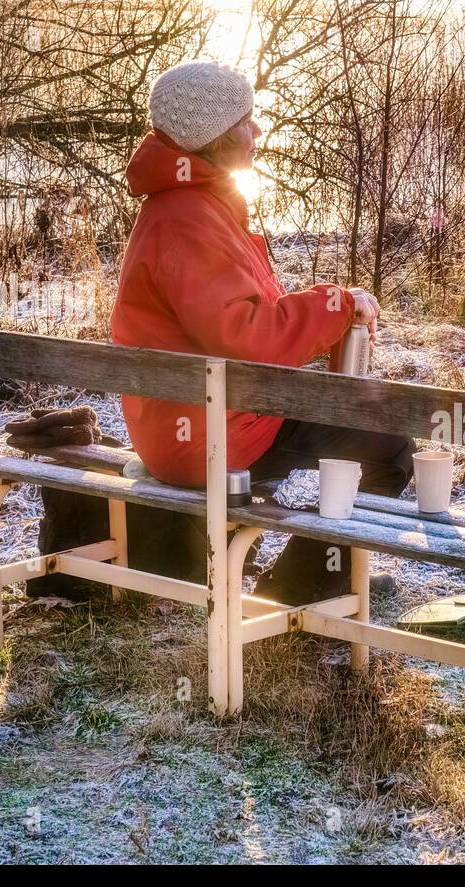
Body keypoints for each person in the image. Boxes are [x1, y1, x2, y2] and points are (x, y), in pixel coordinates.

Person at [111, 61, 413, 605]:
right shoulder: (188, 218)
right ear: (213, 132)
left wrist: (315, 314)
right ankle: (301, 585)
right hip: (211, 434)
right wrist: (336, 304)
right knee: (389, 447)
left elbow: (239, 317)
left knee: (359, 427)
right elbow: (248, 333)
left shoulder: (184, 206)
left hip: (192, 418)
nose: (257, 133)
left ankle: (318, 571)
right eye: (247, 122)